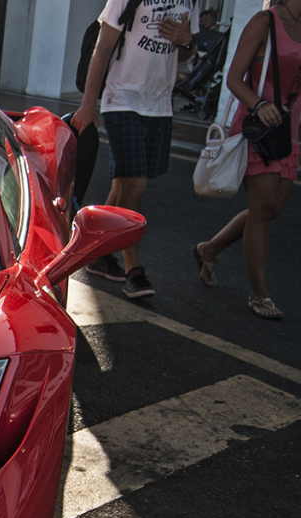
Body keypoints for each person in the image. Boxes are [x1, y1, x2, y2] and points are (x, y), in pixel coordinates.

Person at [71, 0, 197, 299]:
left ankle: (99, 252)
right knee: (135, 185)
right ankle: (134, 271)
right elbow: (102, 47)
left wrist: (186, 40)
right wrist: (89, 104)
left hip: (159, 104)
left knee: (124, 186)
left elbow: (186, 52)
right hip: (122, 98)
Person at [194, 0, 301, 320]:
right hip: (259, 126)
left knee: (270, 210)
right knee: (263, 210)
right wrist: (258, 105)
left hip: (289, 129)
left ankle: (208, 250)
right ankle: (260, 294)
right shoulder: (264, 22)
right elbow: (234, 79)